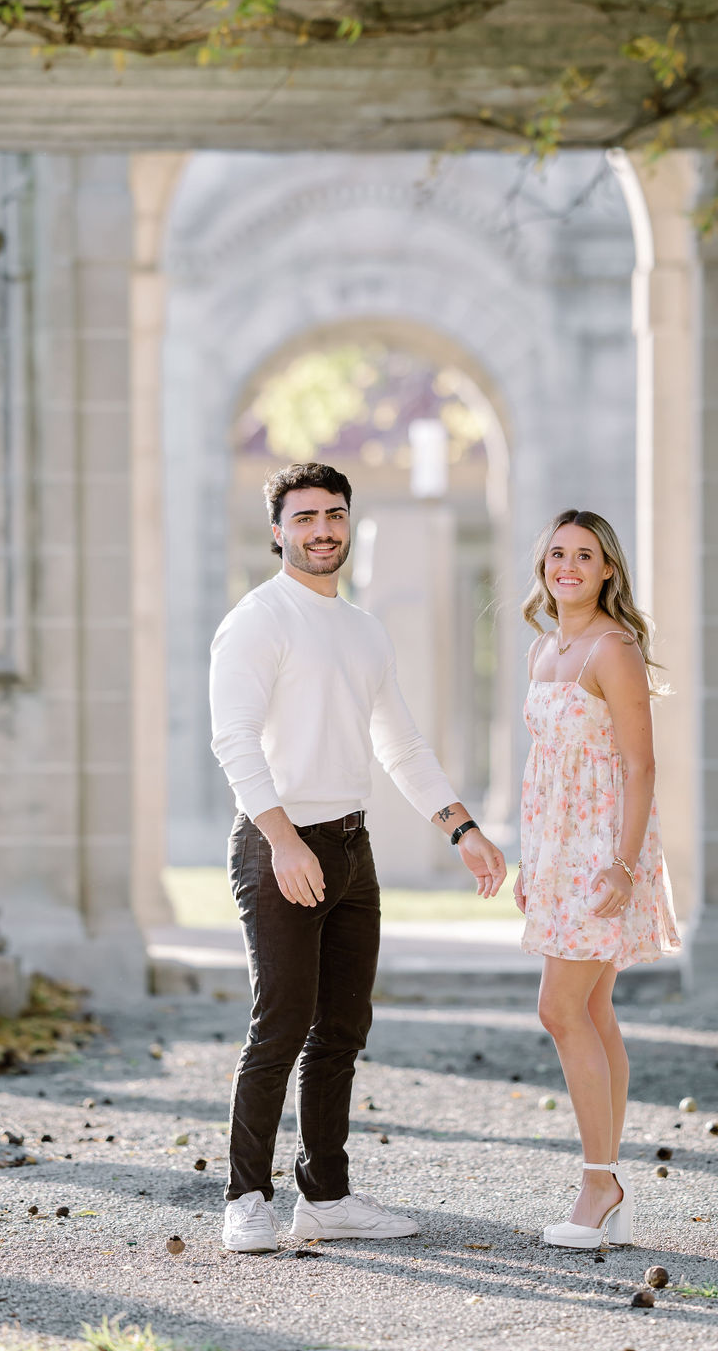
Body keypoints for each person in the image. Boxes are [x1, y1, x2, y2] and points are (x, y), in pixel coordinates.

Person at [209, 461, 507, 1253]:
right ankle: (245, 1197)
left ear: (348, 522)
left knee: (340, 1029)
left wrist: (462, 828)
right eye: (304, 518)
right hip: (278, 846)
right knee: (280, 1023)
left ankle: (327, 1198)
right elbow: (233, 739)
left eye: (334, 515)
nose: (322, 530)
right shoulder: (257, 620)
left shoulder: (362, 629)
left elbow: (400, 744)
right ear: (278, 530)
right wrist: (280, 840)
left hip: (350, 846)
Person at [515, 508, 680, 1249]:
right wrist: (530, 859)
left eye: (585, 555)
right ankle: (606, 1179)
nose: (568, 567)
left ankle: (599, 1185)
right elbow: (545, 768)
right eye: (557, 554)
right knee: (594, 1010)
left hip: (600, 853)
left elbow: (641, 766)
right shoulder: (546, 649)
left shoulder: (611, 649)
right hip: (556, 851)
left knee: (561, 1009)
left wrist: (621, 862)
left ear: (608, 569)